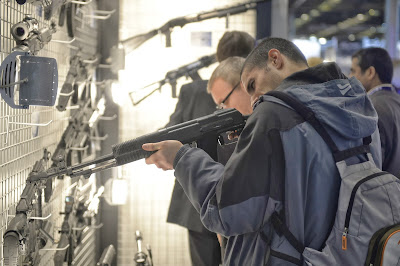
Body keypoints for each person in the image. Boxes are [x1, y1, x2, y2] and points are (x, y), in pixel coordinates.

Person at [143, 37, 382, 265]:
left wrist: (182, 158)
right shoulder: (357, 106)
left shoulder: (274, 115)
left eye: (252, 84)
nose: (255, 99)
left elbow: (227, 211)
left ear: (275, 59)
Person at [165, 31, 255, 266]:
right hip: (242, 204)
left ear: (217, 56)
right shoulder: (259, 101)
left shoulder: (192, 91)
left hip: (197, 202)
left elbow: (169, 137)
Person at [349, 47, 400, 177]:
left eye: (353, 71)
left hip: (385, 193)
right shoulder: (395, 100)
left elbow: (372, 167)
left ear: (370, 72)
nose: (350, 77)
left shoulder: (370, 109)